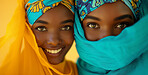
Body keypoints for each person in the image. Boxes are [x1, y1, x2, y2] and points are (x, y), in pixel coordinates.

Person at [0, 0, 78, 75]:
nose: (54, 42)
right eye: (41, 28)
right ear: (27, 30)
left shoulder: (78, 70)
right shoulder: (11, 72)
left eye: (66, 27)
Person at [74, 0, 148, 75]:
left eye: (121, 25)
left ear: (138, 23)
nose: (107, 37)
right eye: (93, 25)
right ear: (78, 28)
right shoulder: (70, 71)